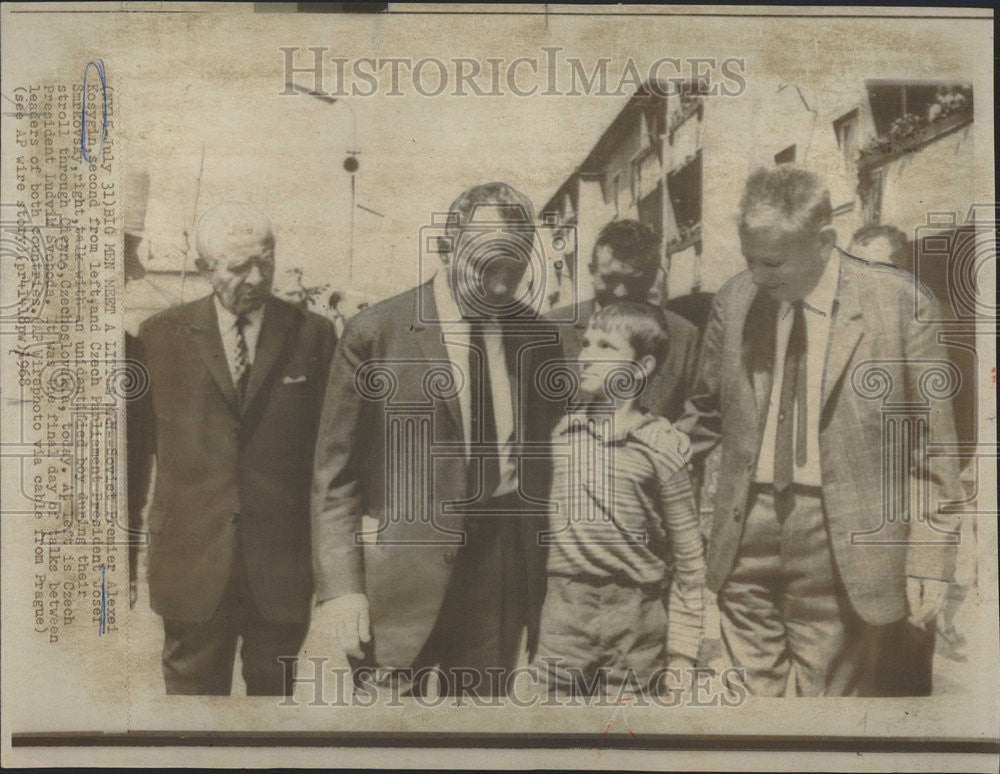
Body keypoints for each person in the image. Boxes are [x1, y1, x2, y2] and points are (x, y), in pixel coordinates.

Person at [677, 166, 963, 696]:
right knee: (749, 708)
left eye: (773, 262)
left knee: (827, 705)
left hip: (841, 540)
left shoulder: (900, 303)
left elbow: (931, 450)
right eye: (748, 259)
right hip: (745, 530)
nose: (757, 276)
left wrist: (930, 557)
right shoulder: (735, 300)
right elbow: (704, 414)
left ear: (826, 242)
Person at [310, 182, 564, 697]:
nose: (498, 287)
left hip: (497, 569)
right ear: (448, 243)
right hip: (398, 579)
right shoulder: (375, 332)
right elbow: (334, 477)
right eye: (485, 266)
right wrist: (340, 590)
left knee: (478, 737)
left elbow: (551, 461)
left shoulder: (537, 338)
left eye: (512, 271)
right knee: (387, 739)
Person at [136, 201, 338, 695]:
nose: (255, 277)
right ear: (206, 269)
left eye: (264, 262)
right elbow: (137, 455)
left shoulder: (313, 335)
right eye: (238, 266)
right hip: (192, 563)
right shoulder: (158, 337)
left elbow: (331, 456)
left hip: (281, 568)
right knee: (190, 717)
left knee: (274, 715)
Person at [535, 301, 706, 698]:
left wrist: (682, 655)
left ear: (643, 366)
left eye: (606, 347)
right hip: (563, 620)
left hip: (636, 625)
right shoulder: (561, 435)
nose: (587, 356)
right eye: (586, 343)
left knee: (629, 744)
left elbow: (689, 561)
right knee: (547, 740)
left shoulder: (665, 445)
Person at [553, 219, 700, 423]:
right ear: (591, 270)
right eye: (610, 280)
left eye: (634, 281)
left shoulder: (683, 336)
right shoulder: (553, 328)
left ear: (652, 277)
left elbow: (697, 417)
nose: (621, 293)